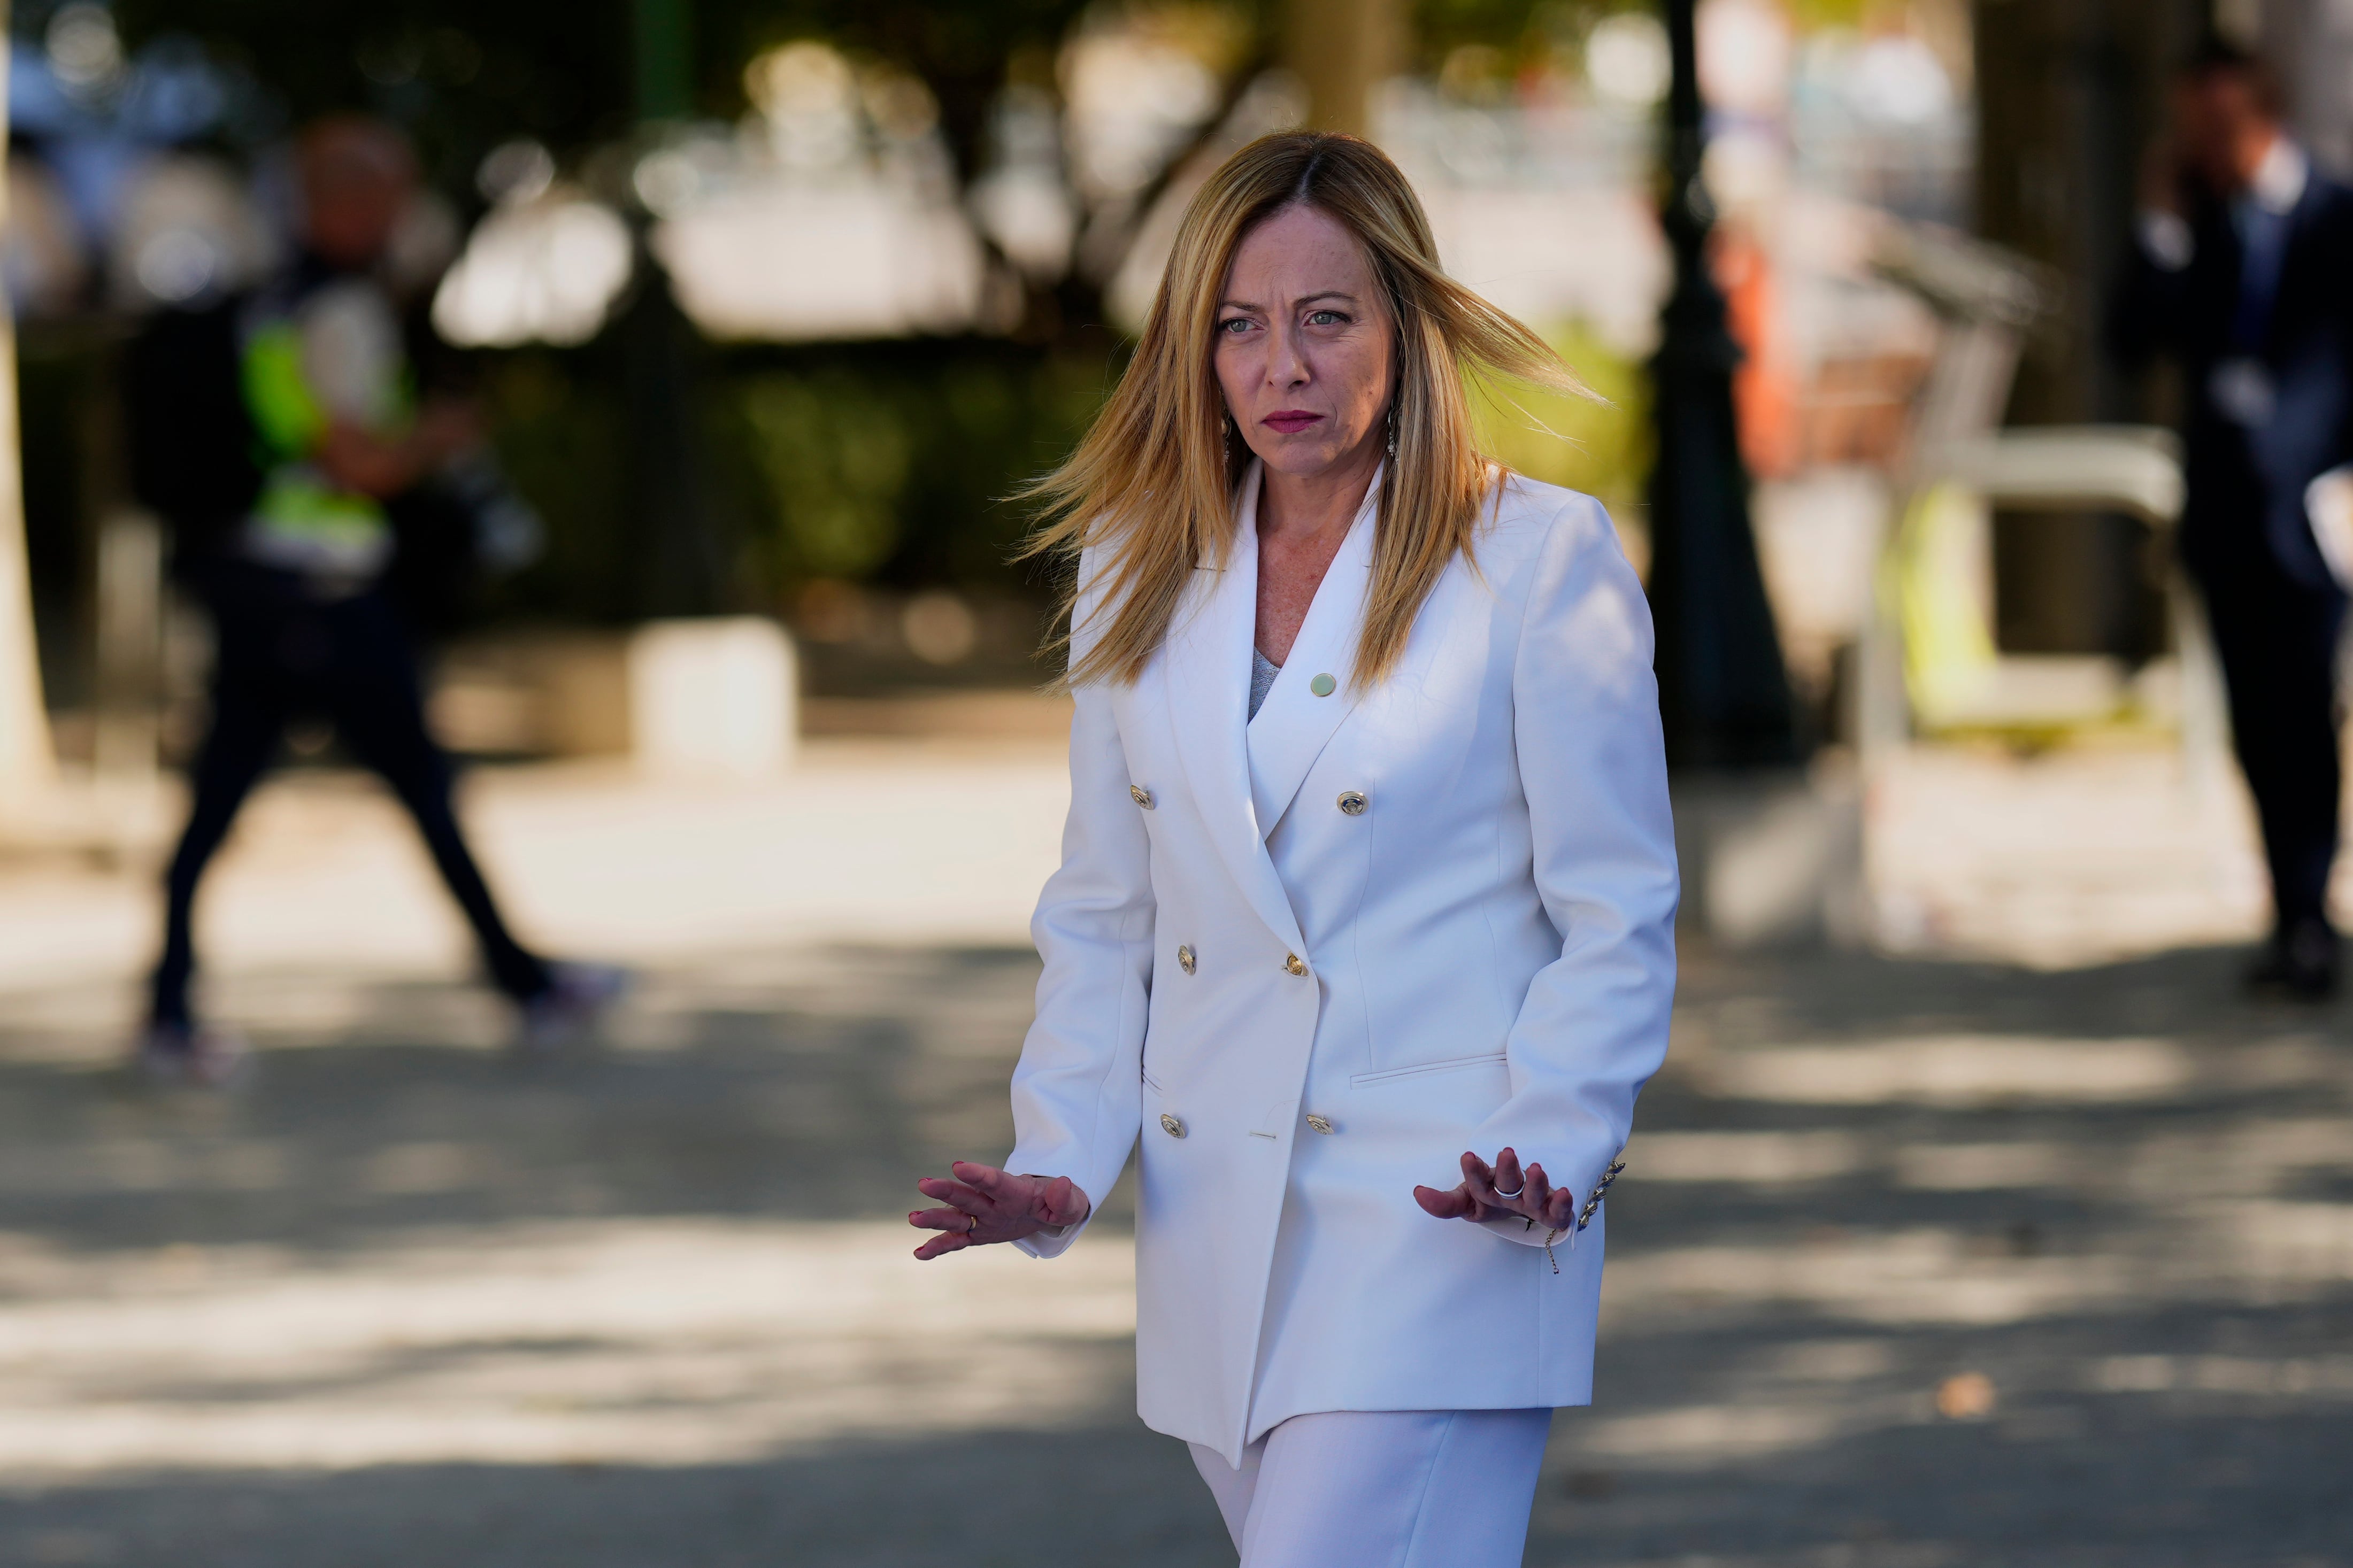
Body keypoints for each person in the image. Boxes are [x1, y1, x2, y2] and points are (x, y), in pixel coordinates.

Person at [908, 133, 1677, 1566]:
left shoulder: (1538, 560)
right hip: (1220, 1243)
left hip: (1444, 1220)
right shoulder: (1135, 568)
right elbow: (1104, 910)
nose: (1285, 366)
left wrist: (1555, 1145)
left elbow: (1616, 909)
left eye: (1327, 319)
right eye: (1241, 327)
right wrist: (1062, 1153)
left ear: (1405, 327)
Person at [126, 117, 620, 1085]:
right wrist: (437, 440)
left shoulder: (269, 303)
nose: (405, 214)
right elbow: (353, 463)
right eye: (391, 192)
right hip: (321, 594)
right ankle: (526, 987)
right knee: (407, 792)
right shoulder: (335, 309)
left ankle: (172, 1009)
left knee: (245, 800)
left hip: (271, 588)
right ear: (347, 200)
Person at [2111, 41, 2353, 1000]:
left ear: (2262, 113)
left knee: (2308, 713)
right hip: (2225, 524)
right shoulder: (2200, 226)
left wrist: (2282, 453)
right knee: (2258, 723)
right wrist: (2159, 226)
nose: (2204, 145)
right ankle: (2292, 915)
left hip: (2312, 518)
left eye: (2218, 124)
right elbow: (2132, 337)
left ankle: (2311, 912)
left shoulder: (2335, 221)